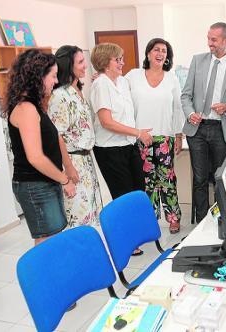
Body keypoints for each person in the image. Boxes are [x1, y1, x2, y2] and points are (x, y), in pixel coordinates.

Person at [2, 49, 76, 245]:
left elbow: (53, 138)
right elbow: (35, 157)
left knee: (52, 238)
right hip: (35, 185)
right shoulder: (25, 108)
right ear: (38, 76)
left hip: (44, 182)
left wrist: (67, 167)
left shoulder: (35, 105)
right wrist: (65, 180)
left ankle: (55, 275)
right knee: (47, 242)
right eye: (52, 76)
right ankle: (47, 276)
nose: (55, 81)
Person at [90, 43, 151, 256]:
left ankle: (135, 234)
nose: (122, 63)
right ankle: (125, 241)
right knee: (122, 196)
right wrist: (138, 132)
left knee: (138, 191)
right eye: (118, 59)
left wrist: (136, 134)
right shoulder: (100, 85)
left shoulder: (123, 82)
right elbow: (106, 122)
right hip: (109, 149)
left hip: (128, 145)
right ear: (106, 62)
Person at [181, 22, 226, 223]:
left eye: (213, 39)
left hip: (220, 129)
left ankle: (220, 222)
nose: (209, 43)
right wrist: (190, 114)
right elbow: (185, 95)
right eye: (208, 38)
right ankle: (201, 223)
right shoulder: (197, 61)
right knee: (199, 179)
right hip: (196, 129)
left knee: (219, 179)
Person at [126, 38, 185, 234]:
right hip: (140, 138)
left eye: (164, 51)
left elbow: (177, 109)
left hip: (164, 138)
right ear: (148, 53)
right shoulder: (133, 76)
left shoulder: (172, 79)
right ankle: (147, 222)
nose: (160, 54)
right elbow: (119, 94)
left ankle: (173, 218)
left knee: (167, 182)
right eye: (156, 50)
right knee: (145, 184)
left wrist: (178, 136)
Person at [48, 45, 102, 227]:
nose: (85, 66)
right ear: (67, 65)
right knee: (79, 217)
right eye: (80, 62)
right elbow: (58, 136)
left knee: (92, 214)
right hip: (73, 162)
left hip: (86, 161)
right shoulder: (59, 96)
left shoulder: (78, 91)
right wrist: (69, 168)